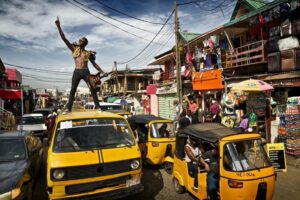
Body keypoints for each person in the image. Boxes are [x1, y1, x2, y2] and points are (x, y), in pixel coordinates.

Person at [55, 17, 106, 113]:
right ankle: (68, 108)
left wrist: (103, 71)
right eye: (79, 40)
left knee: (92, 88)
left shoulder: (88, 53)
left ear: (85, 43)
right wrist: (58, 26)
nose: (79, 41)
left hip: (86, 71)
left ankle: (98, 107)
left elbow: (94, 64)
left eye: (81, 40)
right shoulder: (74, 49)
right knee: (73, 90)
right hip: (77, 71)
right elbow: (64, 38)